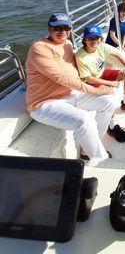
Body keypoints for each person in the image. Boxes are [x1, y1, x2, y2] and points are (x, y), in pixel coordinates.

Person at [25, 13, 119, 160]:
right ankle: (101, 161)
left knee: (109, 101)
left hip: (70, 94)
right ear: (49, 28)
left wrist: (98, 82)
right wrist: (94, 89)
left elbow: (74, 69)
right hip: (45, 102)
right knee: (85, 120)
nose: (63, 31)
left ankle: (89, 148)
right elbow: (61, 77)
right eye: (58, 27)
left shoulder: (67, 44)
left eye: (67, 27)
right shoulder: (39, 48)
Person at [75, 25, 125, 122]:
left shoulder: (100, 46)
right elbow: (88, 79)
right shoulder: (81, 56)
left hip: (102, 73)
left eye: (97, 38)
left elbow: (116, 54)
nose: (94, 41)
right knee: (109, 97)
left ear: (100, 39)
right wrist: (110, 83)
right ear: (84, 40)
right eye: (90, 38)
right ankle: (111, 126)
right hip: (93, 81)